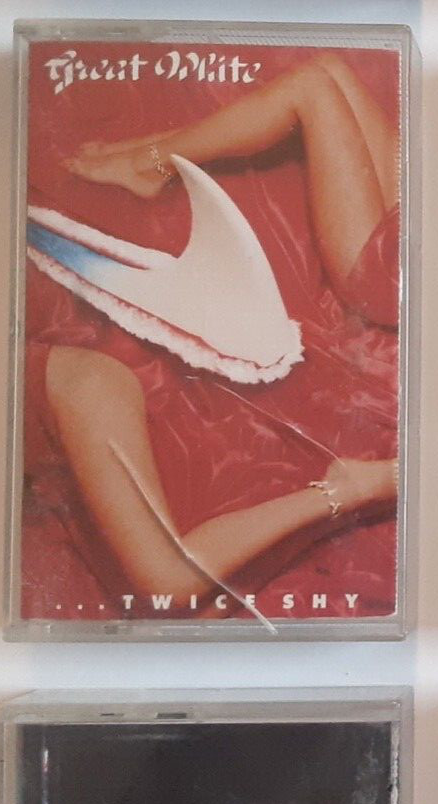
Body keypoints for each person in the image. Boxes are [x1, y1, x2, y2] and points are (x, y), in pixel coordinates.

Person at [26, 53, 400, 618]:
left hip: (403, 277)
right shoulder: (82, 381)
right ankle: (152, 159)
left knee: (318, 80)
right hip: (405, 275)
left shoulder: (82, 380)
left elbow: (170, 579)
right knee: (318, 80)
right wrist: (348, 491)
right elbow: (169, 579)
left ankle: (153, 159)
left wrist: (348, 490)